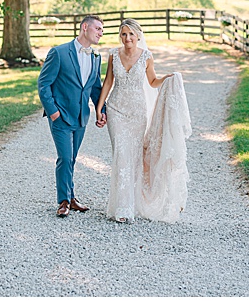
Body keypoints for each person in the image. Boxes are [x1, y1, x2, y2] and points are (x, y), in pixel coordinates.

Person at [93, 18, 190, 223]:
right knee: (121, 154)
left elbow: (153, 82)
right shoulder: (113, 55)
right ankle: (122, 207)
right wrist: (99, 108)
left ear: (138, 35)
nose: (127, 38)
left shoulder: (146, 56)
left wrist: (168, 79)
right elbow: (108, 81)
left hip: (137, 112)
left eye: (130, 34)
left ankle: (134, 204)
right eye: (123, 34)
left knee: (135, 157)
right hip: (117, 109)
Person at [37, 15, 105, 218]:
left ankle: (71, 196)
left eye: (102, 30)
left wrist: (102, 111)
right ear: (85, 27)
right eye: (98, 28)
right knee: (65, 157)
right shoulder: (59, 53)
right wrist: (53, 112)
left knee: (72, 158)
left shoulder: (95, 57)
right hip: (61, 115)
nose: (100, 33)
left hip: (81, 117)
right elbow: (43, 84)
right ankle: (64, 201)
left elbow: (95, 88)